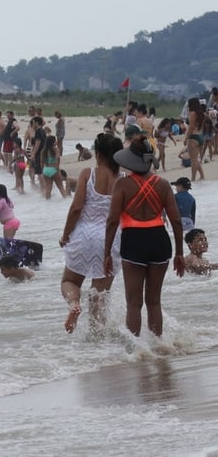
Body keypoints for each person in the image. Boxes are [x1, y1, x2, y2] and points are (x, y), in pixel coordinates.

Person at [104, 135, 185, 337]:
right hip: (159, 241)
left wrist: (106, 253)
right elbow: (176, 221)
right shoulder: (164, 184)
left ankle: (136, 352)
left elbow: (113, 221)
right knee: (154, 301)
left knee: (133, 303)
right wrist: (180, 254)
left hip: (133, 242)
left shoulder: (122, 186)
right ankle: (158, 347)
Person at [59, 133, 124, 333]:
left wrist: (65, 235)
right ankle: (97, 339)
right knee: (99, 295)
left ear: (98, 154)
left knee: (69, 281)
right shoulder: (124, 179)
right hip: (110, 239)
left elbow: (76, 208)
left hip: (83, 236)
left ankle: (73, 304)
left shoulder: (88, 173)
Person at [185, 97, 206, 181]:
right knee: (196, 159)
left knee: (193, 160)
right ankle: (202, 176)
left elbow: (191, 126)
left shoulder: (192, 113)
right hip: (200, 136)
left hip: (193, 137)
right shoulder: (202, 114)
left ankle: (193, 178)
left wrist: (186, 137)